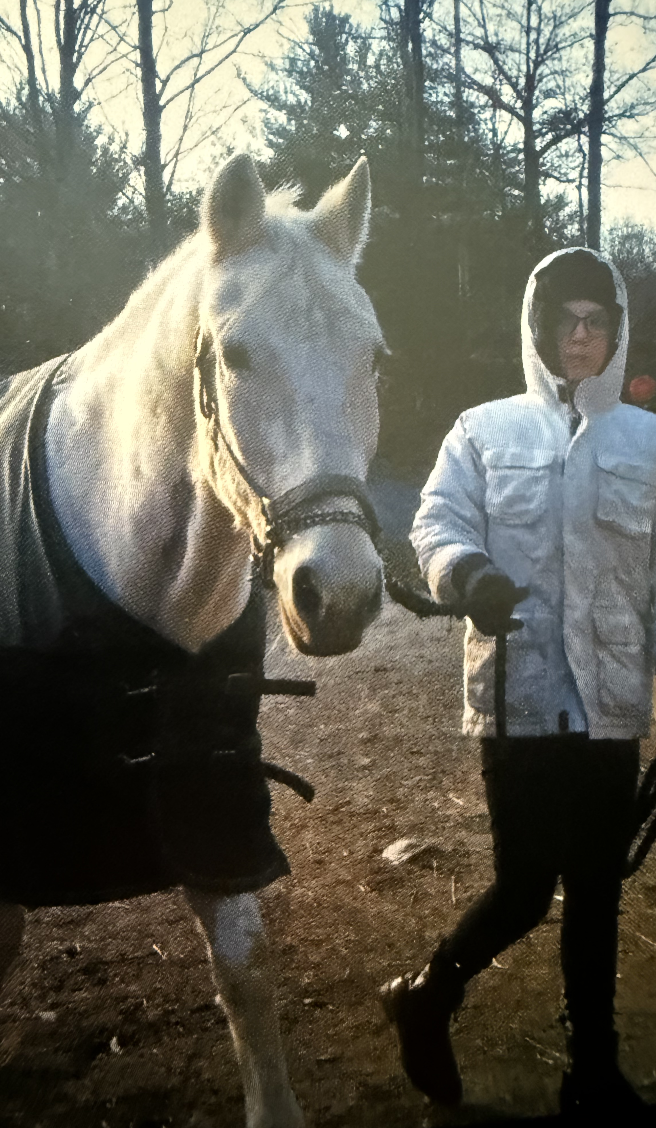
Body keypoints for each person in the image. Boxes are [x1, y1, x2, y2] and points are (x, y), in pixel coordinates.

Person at [381, 248, 656, 1122]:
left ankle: (593, 1072)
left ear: (614, 329)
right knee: (528, 884)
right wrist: (467, 576)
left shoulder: (650, 441)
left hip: (611, 698)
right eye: (565, 321)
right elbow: (435, 523)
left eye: (596, 320)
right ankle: (429, 992)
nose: (581, 337)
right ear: (539, 330)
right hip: (521, 690)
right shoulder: (483, 429)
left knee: (600, 891)